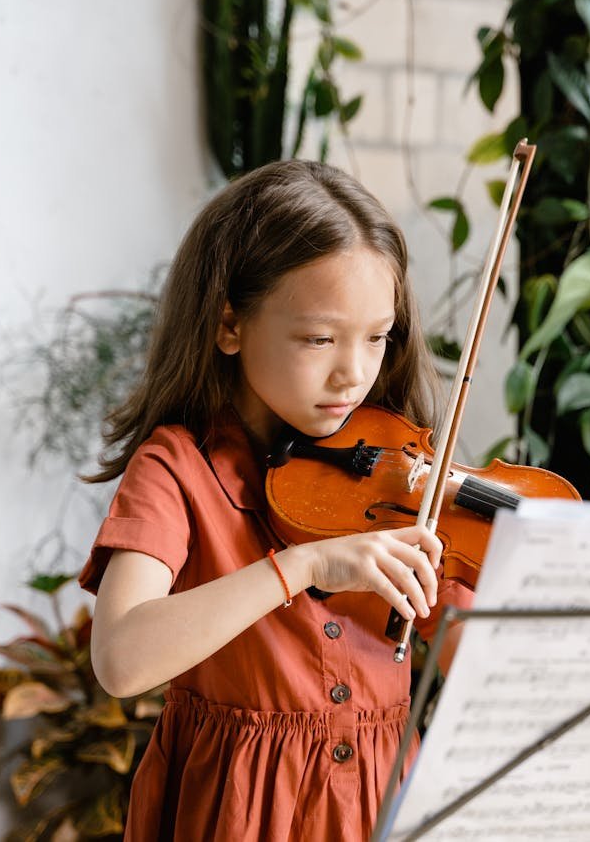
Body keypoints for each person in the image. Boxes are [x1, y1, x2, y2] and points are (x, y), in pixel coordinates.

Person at [79, 159, 472, 841]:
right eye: (319, 338)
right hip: (235, 816)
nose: (353, 371)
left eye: (377, 337)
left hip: (380, 811)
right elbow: (121, 658)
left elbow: (469, 647)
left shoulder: (398, 478)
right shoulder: (177, 469)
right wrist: (306, 567)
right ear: (230, 325)